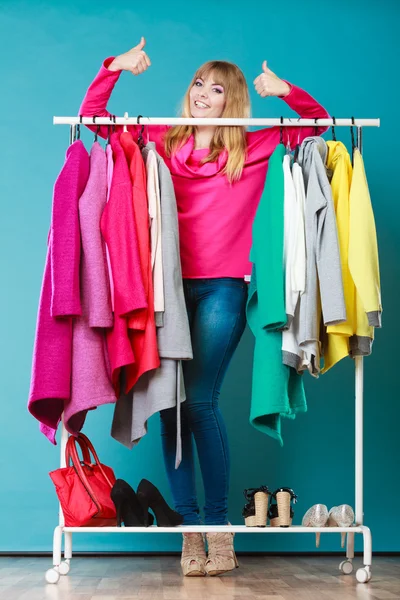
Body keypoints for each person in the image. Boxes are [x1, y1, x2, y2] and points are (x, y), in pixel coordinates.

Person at [79, 37, 329, 577]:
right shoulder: (161, 140)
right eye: (197, 83)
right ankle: (190, 533)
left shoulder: (256, 147)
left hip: (223, 289)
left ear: (232, 101)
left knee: (198, 401)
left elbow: (320, 123)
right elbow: (91, 119)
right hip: (165, 289)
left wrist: (286, 91)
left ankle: (220, 531)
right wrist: (114, 68)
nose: (202, 94)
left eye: (216, 89)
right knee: (168, 402)